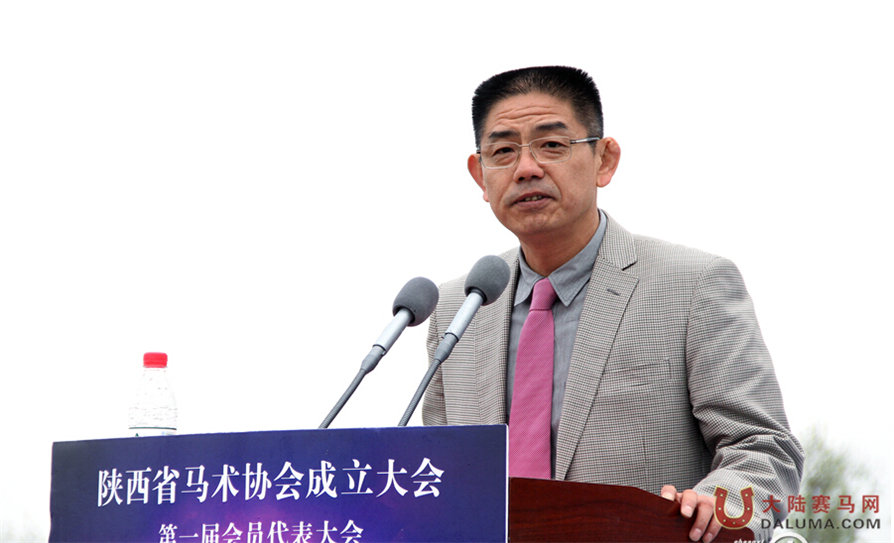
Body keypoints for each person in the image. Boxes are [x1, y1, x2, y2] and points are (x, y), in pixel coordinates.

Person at [421, 66, 803, 543]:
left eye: (552, 145)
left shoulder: (692, 285)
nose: (526, 168)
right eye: (503, 152)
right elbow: (439, 478)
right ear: (480, 174)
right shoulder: (457, 310)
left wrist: (717, 504)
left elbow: (765, 448)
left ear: (604, 159)